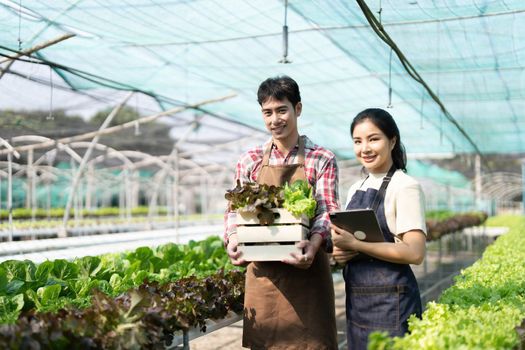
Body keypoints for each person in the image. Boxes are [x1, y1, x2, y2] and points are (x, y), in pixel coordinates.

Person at [224, 75, 339, 349]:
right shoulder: (250, 160)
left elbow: (326, 210)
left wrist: (313, 244)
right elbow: (233, 210)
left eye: (281, 110)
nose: (275, 119)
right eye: (267, 112)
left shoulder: (321, 158)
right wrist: (233, 239)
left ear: (297, 109)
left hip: (307, 273)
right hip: (264, 276)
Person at [331, 108, 427, 349]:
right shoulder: (356, 188)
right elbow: (358, 245)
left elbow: (415, 253)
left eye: (374, 139)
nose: (365, 148)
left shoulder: (405, 186)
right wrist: (343, 253)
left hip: (392, 304)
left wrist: (357, 245)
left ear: (392, 140)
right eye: (357, 141)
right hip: (358, 301)